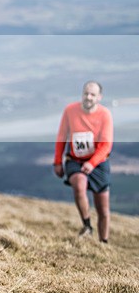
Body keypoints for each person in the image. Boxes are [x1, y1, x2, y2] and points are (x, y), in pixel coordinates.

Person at [53, 81, 114, 243]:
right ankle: (87, 225)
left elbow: (106, 145)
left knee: (103, 209)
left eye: (93, 94)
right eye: (86, 93)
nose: (88, 97)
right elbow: (61, 137)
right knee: (79, 183)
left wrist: (92, 163)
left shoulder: (105, 115)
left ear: (99, 97)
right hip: (75, 160)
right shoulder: (70, 110)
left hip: (99, 162)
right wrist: (57, 161)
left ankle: (104, 242)